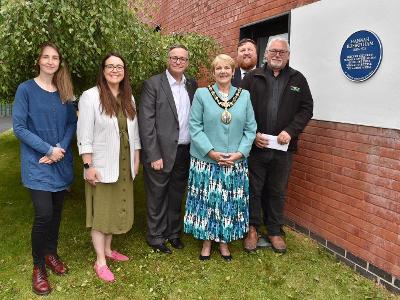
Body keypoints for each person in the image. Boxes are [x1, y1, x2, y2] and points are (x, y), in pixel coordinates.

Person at [13, 42, 76, 295]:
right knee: (44, 215)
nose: (51, 61)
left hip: (60, 161)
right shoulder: (25, 89)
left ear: (59, 62)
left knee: (57, 213)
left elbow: (72, 123)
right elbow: (19, 128)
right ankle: (38, 267)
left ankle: (51, 253)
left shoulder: (64, 91)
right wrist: (48, 150)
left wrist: (59, 148)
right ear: (38, 61)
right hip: (37, 163)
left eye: (55, 58)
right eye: (46, 57)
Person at [241, 37, 314, 253]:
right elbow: (240, 109)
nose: (277, 55)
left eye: (282, 52)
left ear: (288, 55)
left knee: (277, 190)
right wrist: (253, 134)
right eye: (273, 51)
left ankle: (274, 230)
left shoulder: (298, 79)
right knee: (253, 189)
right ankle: (252, 228)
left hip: (283, 150)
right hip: (257, 147)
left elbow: (306, 109)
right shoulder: (253, 78)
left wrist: (290, 131)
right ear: (265, 54)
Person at [184, 54, 256, 261]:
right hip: (206, 160)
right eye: (218, 68)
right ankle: (206, 242)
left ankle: (224, 241)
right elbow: (195, 126)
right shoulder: (202, 94)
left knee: (228, 202)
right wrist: (211, 152)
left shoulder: (244, 96)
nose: (223, 71)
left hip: (234, 161)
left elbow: (251, 129)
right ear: (213, 72)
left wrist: (240, 153)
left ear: (233, 72)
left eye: (227, 68)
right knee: (207, 201)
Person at [77, 53, 141, 282]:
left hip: (124, 163)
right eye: (110, 66)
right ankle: (100, 261)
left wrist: (136, 158)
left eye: (120, 66)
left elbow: (134, 133)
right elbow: (84, 134)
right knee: (101, 213)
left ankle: (108, 249)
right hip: (101, 165)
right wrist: (88, 165)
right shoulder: (90, 97)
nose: (115, 70)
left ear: (124, 71)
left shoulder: (129, 98)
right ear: (103, 70)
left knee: (115, 208)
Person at [139, 44, 197, 254]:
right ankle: (155, 236)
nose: (178, 62)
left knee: (176, 194)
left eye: (182, 59)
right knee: (157, 195)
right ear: (168, 60)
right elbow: (146, 123)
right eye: (174, 58)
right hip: (160, 152)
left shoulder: (191, 84)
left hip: (184, 150)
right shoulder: (153, 84)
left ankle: (173, 233)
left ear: (187, 62)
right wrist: (153, 154)